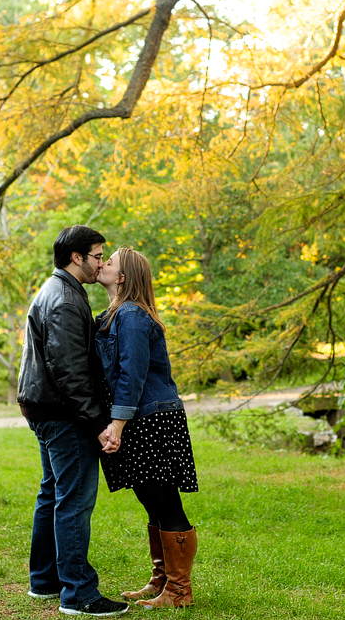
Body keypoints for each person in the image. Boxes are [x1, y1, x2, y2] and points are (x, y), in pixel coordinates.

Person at [17, 225, 129, 617]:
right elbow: (70, 372)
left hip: (43, 408)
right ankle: (78, 594)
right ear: (76, 257)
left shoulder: (57, 289)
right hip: (62, 414)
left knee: (52, 493)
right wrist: (99, 422)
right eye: (98, 255)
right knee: (74, 501)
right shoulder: (64, 298)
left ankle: (45, 581)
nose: (102, 262)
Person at [94, 247, 199, 609]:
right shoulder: (112, 315)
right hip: (142, 418)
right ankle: (162, 581)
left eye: (109, 263)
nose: (101, 264)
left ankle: (179, 591)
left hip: (152, 418)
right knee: (150, 499)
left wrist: (117, 424)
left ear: (122, 278)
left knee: (164, 500)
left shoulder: (133, 316)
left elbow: (133, 375)